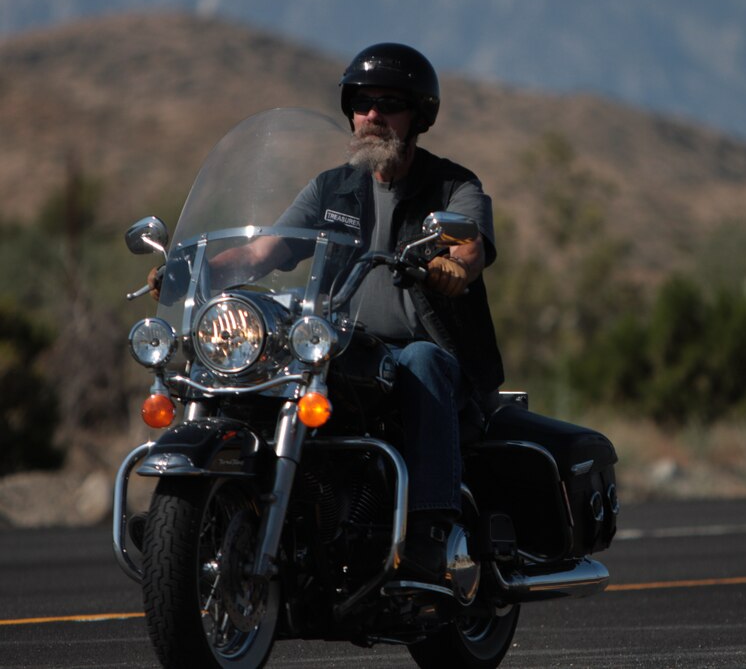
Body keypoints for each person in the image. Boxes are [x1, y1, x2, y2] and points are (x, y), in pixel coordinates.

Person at [150, 42, 503, 592]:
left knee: (421, 360)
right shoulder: (331, 187)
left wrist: (455, 264)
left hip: (426, 348)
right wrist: (190, 270)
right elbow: (262, 252)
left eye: (389, 103)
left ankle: (433, 528)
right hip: (341, 343)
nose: (372, 115)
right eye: (362, 102)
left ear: (419, 116)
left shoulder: (452, 186)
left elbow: (471, 246)